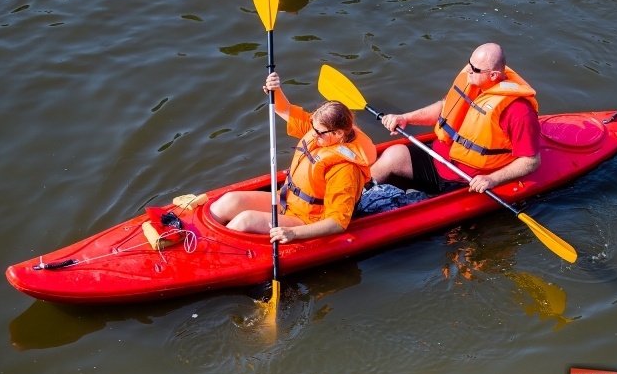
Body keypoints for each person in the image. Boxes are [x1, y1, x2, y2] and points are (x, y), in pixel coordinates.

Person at [209, 72, 377, 244]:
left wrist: (294, 233)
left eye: (318, 132)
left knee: (246, 220)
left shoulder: (345, 169)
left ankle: (216, 251)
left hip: (309, 219)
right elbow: (285, 110)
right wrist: (276, 90)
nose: (313, 133)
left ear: (339, 133)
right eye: (312, 127)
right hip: (287, 199)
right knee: (230, 201)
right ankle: (205, 240)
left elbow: (338, 223)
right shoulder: (320, 131)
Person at [370, 42, 540, 194]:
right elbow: (444, 108)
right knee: (394, 155)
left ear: (494, 75)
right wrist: (406, 118)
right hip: (438, 156)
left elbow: (531, 161)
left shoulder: (519, 112)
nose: (468, 71)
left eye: (475, 69)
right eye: (469, 64)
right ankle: (358, 193)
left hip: (467, 179)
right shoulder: (470, 82)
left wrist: (492, 180)